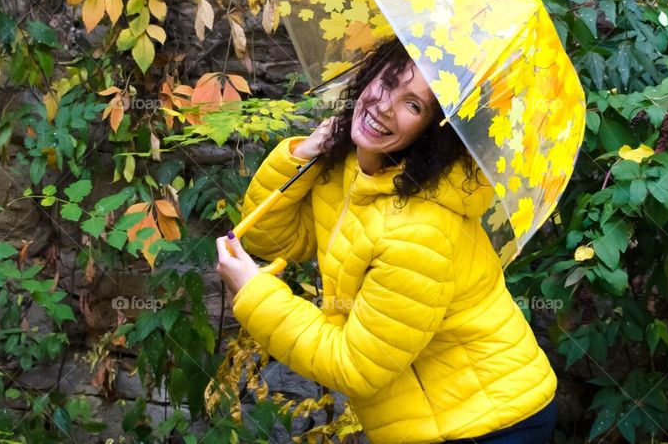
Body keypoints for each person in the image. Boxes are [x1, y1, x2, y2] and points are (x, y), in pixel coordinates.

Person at [216, 38, 558, 444]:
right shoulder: (355, 169)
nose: (384, 104)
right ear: (370, 72)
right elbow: (275, 239)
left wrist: (255, 295)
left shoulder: (420, 232)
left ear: (432, 133)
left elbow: (354, 365)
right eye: (389, 80)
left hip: (489, 422)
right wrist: (301, 154)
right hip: (428, 419)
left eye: (414, 106)